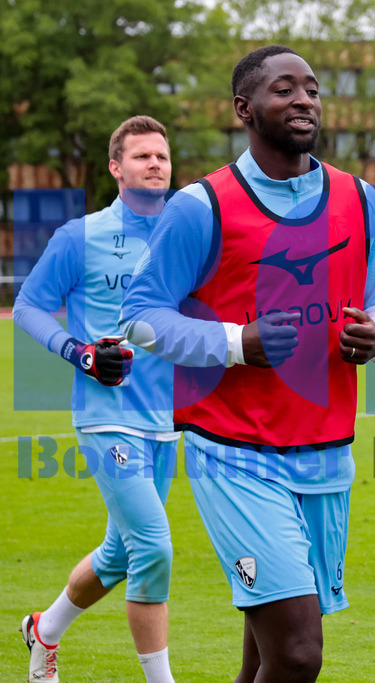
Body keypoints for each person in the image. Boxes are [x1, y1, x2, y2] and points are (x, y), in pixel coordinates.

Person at [119, 45, 375, 682]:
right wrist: (233, 343)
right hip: (235, 452)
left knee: (268, 651)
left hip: (328, 451)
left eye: (312, 88)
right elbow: (140, 315)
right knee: (299, 653)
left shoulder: (359, 197)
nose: (303, 99)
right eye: (284, 89)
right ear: (245, 108)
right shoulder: (202, 206)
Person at [13, 115, 177, 683]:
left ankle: (44, 631)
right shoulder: (79, 236)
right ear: (116, 168)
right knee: (154, 548)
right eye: (142, 156)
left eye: (162, 155)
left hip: (168, 420)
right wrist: (77, 351)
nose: (155, 163)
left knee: (120, 553)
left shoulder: (187, 233)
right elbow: (31, 305)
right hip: (107, 417)